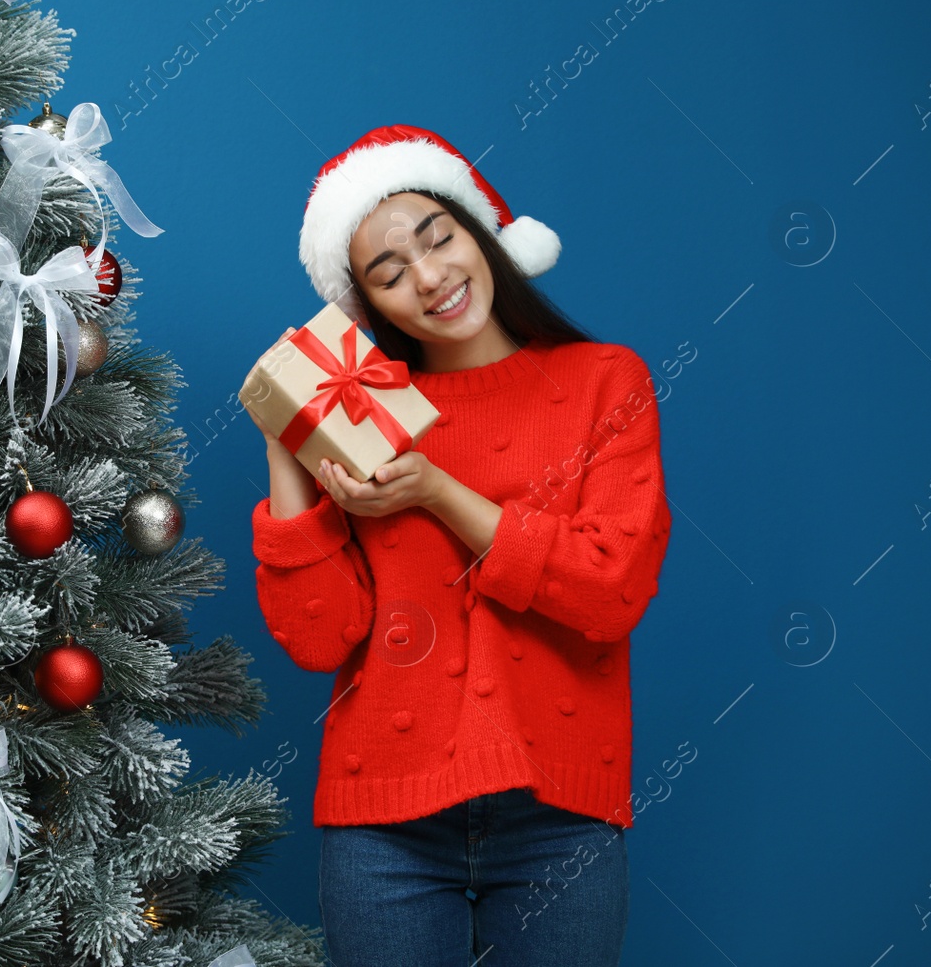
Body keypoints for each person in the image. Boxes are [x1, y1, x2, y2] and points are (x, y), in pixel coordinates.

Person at [247, 124, 672, 966]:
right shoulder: (365, 412)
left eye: (437, 238)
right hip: (382, 821)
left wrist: (438, 491)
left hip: (560, 812)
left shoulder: (604, 380)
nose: (430, 277)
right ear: (368, 306)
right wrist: (282, 422)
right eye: (389, 272)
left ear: (482, 232)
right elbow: (320, 636)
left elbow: (610, 590)